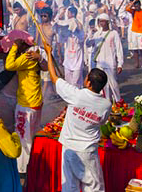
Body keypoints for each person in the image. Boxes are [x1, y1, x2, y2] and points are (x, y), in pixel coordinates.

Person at [44, 42, 111, 192]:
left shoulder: (76, 95)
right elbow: (102, 121)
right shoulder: (106, 105)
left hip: (69, 149)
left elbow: (54, 77)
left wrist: (48, 52)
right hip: (87, 151)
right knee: (93, 188)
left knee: (69, 187)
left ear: (88, 82)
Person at [5, 39, 43, 173]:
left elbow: (9, 65)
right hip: (35, 101)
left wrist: (14, 48)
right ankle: (30, 164)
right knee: (31, 135)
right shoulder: (37, 52)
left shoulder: (27, 56)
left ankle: (22, 169)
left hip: (26, 104)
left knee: (23, 138)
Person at [86, 14, 123, 102]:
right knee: (103, 85)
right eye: (100, 21)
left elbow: (119, 49)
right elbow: (88, 44)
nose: (101, 23)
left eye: (103, 21)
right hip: (99, 63)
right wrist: (91, 33)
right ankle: (107, 102)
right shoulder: (97, 34)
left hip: (110, 63)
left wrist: (120, 64)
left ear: (107, 22)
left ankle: (118, 102)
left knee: (113, 84)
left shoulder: (113, 33)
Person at [62, 7, 84, 88]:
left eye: (68, 13)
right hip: (68, 57)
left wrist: (76, 27)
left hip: (77, 56)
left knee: (76, 81)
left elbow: (82, 38)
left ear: (73, 14)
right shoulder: (66, 24)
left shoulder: (79, 25)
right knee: (68, 81)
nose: (67, 15)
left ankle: (78, 98)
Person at [126, 0, 142, 68]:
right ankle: (137, 63)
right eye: (135, 6)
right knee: (135, 49)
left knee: (141, 48)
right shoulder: (133, 11)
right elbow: (127, 8)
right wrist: (133, 1)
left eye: (137, 6)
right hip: (134, 31)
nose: (136, 7)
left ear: (140, 5)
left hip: (141, 32)